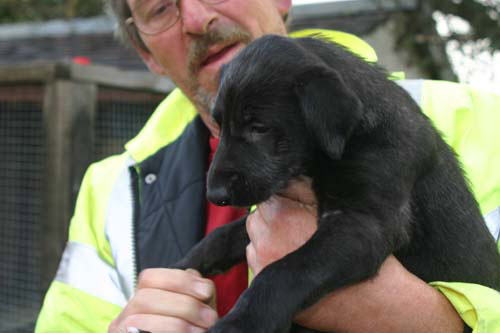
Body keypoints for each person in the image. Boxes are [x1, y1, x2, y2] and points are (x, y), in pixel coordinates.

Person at [35, 0, 500, 332]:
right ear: (145, 54)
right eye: (159, 8)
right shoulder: (109, 189)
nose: (198, 17)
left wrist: (423, 322)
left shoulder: (481, 123)